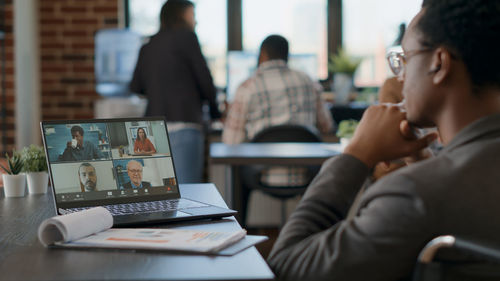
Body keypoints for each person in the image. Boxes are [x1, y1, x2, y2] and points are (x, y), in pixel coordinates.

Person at [268, 0, 500, 280]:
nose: (399, 76)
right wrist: (426, 165)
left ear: (439, 63)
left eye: (404, 59)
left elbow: (287, 265)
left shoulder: (414, 195)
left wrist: (356, 154)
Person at [223, 34, 333, 186]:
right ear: (286, 55)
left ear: (262, 55)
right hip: (307, 173)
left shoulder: (247, 87)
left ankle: (239, 210)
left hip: (260, 174)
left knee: (236, 171)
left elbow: (231, 141)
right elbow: (327, 126)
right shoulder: (309, 82)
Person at [130, 0, 220, 183]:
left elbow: (135, 87)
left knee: (157, 192)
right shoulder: (187, 38)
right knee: (188, 194)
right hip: (184, 123)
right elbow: (205, 82)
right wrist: (215, 112)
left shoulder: (148, 44)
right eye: (193, 15)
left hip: (151, 130)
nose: (196, 21)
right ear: (181, 15)